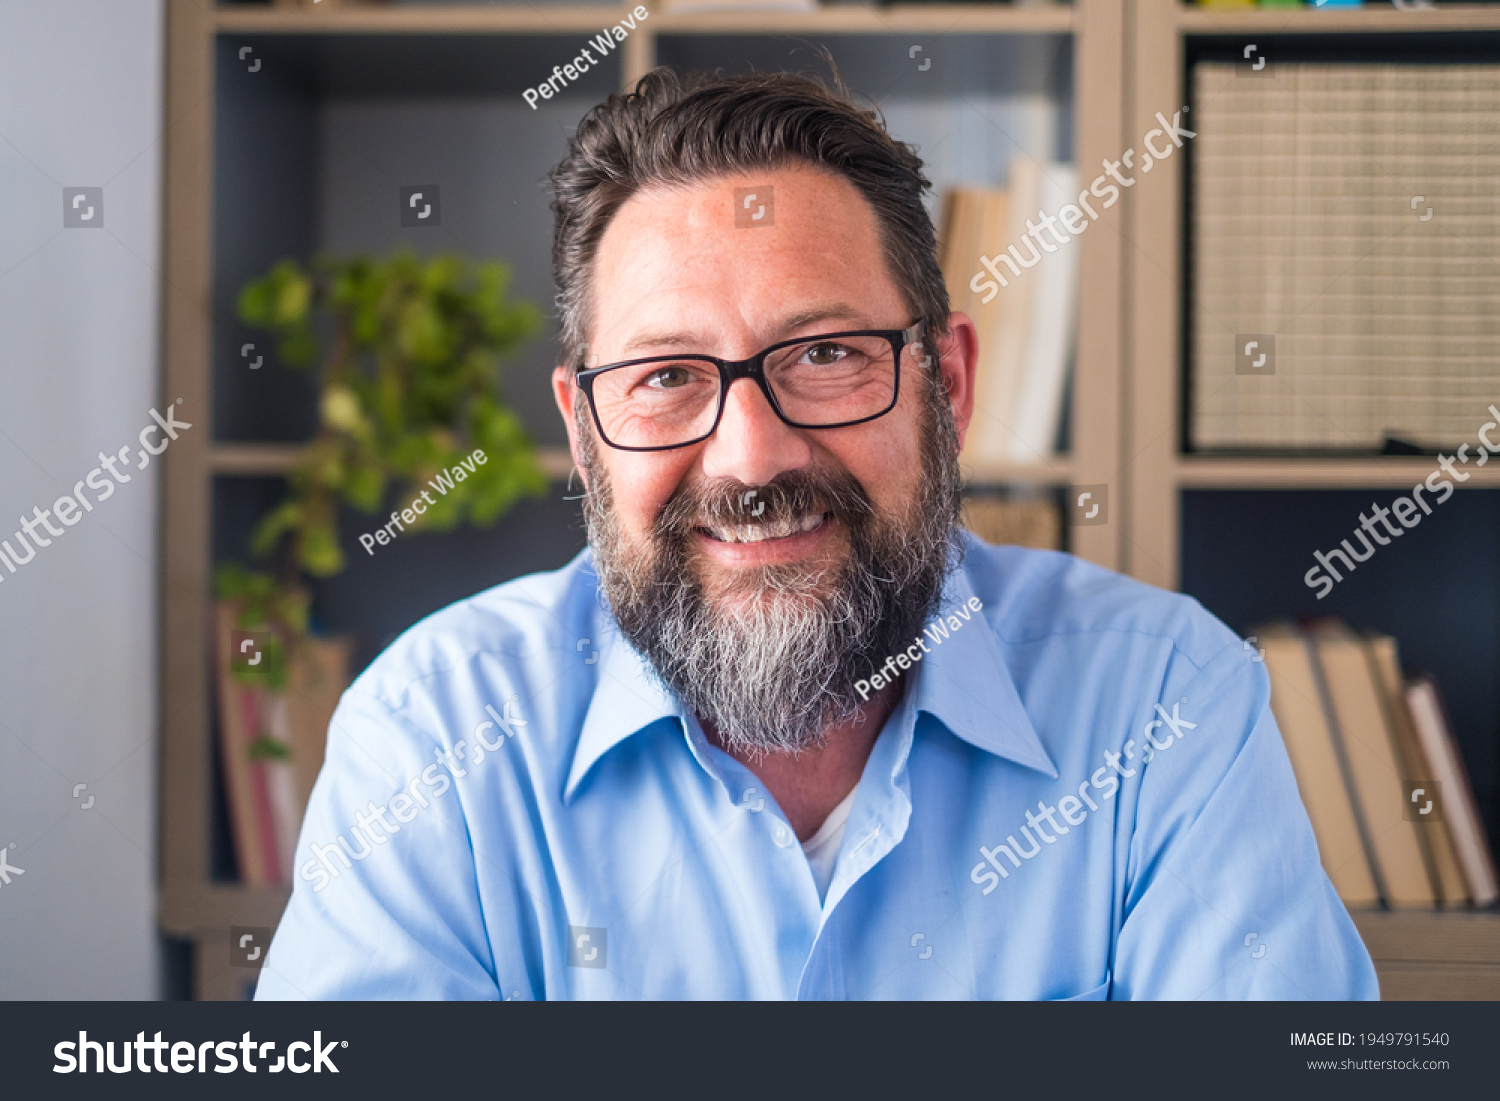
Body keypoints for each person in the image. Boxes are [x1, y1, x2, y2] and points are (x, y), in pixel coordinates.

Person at [258, 69, 1377, 1000]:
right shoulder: (433, 740)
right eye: (666, 377)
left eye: (828, 356)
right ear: (587, 433)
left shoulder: (1167, 706)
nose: (752, 459)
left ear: (945, 384)